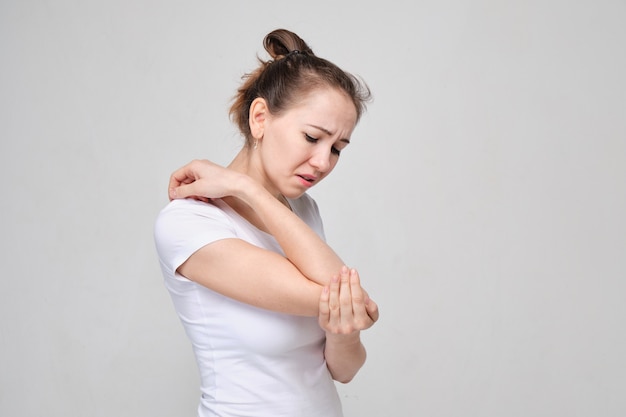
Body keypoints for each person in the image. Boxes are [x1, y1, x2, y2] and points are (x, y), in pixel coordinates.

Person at [154, 28, 379, 417]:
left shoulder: (303, 211)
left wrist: (345, 332)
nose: (324, 162)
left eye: (337, 149)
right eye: (312, 137)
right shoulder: (189, 222)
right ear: (260, 118)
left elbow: (344, 369)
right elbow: (344, 296)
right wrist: (248, 188)